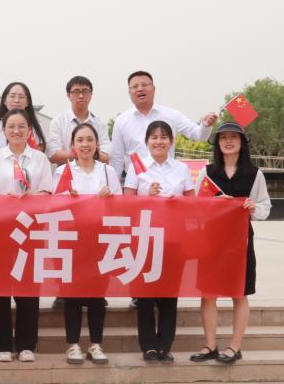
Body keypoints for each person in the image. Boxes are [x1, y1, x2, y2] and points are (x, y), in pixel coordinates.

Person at [190, 122, 271, 365]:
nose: (228, 141)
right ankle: (210, 346)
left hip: (241, 242)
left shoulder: (254, 174)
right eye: (223, 137)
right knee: (208, 294)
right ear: (217, 143)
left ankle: (235, 346)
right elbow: (197, 207)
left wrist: (253, 207)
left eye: (233, 137)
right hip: (211, 240)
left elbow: (265, 206)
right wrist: (215, 204)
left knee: (240, 293)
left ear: (242, 143)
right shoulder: (207, 172)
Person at [0, 108, 53, 362]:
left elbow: (48, 193)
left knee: (28, 287)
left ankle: (26, 344)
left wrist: (30, 197)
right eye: (11, 126)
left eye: (21, 126)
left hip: (29, 228)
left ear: (29, 130)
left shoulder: (39, 159)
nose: (16, 131)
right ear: (3, 131)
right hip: (0, 228)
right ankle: (2, 344)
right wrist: (6, 201)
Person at [123, 120, 194, 363]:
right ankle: (148, 346)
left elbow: (192, 203)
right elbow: (126, 203)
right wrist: (147, 196)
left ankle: (164, 344)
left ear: (171, 141)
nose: (159, 141)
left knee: (169, 294)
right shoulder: (137, 167)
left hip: (174, 239)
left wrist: (178, 202)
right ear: (147, 141)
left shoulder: (181, 169)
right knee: (144, 294)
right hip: (145, 237)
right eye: (154, 137)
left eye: (164, 137)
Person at [53, 123, 121, 365]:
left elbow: (121, 206)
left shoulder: (107, 172)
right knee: (71, 294)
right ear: (72, 145)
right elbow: (52, 205)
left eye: (90, 139)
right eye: (80, 140)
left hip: (100, 240)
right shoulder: (63, 172)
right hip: (71, 240)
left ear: (97, 144)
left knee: (97, 296)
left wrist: (110, 197)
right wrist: (67, 199)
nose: (85, 144)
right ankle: (72, 345)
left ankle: (95, 344)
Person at [110, 71, 217, 178]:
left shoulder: (171, 115)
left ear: (154, 89)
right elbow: (117, 158)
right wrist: (115, 184)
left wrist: (206, 125)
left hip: (167, 180)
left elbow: (200, 135)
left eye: (144, 85)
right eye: (135, 86)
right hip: (135, 181)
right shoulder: (121, 121)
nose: (140, 89)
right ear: (129, 92)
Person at [47, 76, 111, 165]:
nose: (81, 96)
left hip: (94, 172)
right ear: (68, 95)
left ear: (91, 95)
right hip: (67, 172)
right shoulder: (58, 122)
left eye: (85, 91)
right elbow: (53, 156)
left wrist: (78, 152)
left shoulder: (100, 124)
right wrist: (87, 151)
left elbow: (106, 157)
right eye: (76, 92)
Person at [0, 82, 46, 156]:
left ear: (27, 102)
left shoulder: (36, 126)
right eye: (12, 96)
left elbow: (39, 154)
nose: (16, 100)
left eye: (21, 97)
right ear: (5, 100)